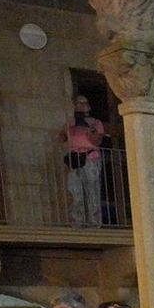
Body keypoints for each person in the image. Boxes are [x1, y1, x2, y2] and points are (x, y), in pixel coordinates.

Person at [58, 94, 105, 227]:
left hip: (90, 157)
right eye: (78, 103)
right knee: (75, 191)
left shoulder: (96, 122)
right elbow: (61, 138)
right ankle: (77, 222)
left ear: (88, 106)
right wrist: (64, 132)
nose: (80, 106)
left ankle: (94, 223)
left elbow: (97, 140)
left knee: (92, 191)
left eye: (83, 104)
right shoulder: (70, 122)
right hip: (74, 158)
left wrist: (90, 129)